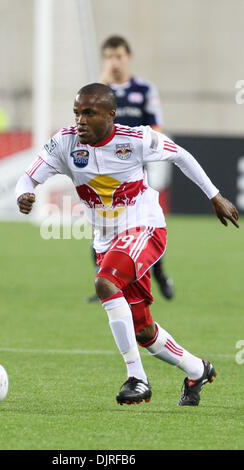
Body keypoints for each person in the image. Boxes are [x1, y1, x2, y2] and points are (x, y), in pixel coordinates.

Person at [15, 83, 239, 406]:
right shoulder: (65, 143)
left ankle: (137, 378)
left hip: (144, 229)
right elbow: (27, 178)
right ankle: (197, 369)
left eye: (89, 113)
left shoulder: (134, 140)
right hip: (107, 240)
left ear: (110, 115)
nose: (80, 120)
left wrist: (215, 196)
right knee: (143, 330)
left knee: (104, 283)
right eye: (77, 112)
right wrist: (24, 194)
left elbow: (181, 156)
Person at [87, 35, 173, 303]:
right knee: (101, 231)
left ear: (128, 57)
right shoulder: (100, 92)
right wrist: (102, 82)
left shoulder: (145, 90)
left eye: (119, 56)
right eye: (109, 57)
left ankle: (158, 275)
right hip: (102, 175)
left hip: (135, 174)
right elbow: (85, 119)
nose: (114, 62)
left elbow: (156, 128)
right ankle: (108, 285)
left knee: (142, 231)